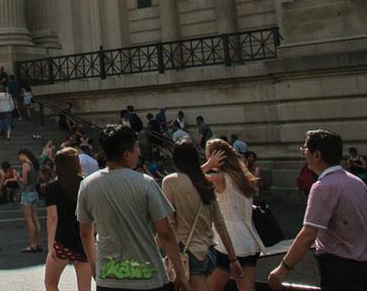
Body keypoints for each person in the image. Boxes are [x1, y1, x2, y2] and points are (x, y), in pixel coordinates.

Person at [76, 124, 186, 291]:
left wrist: (94, 266)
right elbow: (165, 232)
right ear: (126, 154)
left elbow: (85, 233)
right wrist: (180, 273)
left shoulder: (87, 185)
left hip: (109, 276)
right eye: (136, 147)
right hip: (148, 277)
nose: (139, 152)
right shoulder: (146, 183)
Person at [268, 129, 367, 291]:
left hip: (339, 272)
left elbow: (308, 234)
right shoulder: (357, 183)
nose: (304, 155)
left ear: (317, 155)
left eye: (305, 150)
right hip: (366, 270)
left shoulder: (323, 187)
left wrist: (283, 268)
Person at [160, 141, 240, 291]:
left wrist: (156, 249)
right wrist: (233, 259)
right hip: (208, 251)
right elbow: (219, 223)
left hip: (188, 253)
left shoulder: (170, 182)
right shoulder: (205, 182)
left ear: (175, 160)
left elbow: (168, 224)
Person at [205, 138, 262, 291]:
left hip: (227, 243)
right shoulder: (243, 177)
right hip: (249, 240)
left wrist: (208, 165)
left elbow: (188, 179)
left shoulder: (219, 178)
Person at [44, 148, 91, 291]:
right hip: (83, 240)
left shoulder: (52, 187)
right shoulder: (85, 184)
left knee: (50, 283)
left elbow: (52, 217)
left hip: (62, 240)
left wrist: (50, 246)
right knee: (85, 288)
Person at [17, 148, 42, 252]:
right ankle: (38, 243)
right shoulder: (34, 164)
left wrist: (18, 178)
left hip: (27, 193)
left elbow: (25, 182)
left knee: (29, 219)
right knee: (35, 218)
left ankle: (32, 244)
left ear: (22, 154)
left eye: (19, 157)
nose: (19, 159)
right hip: (35, 192)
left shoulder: (25, 165)